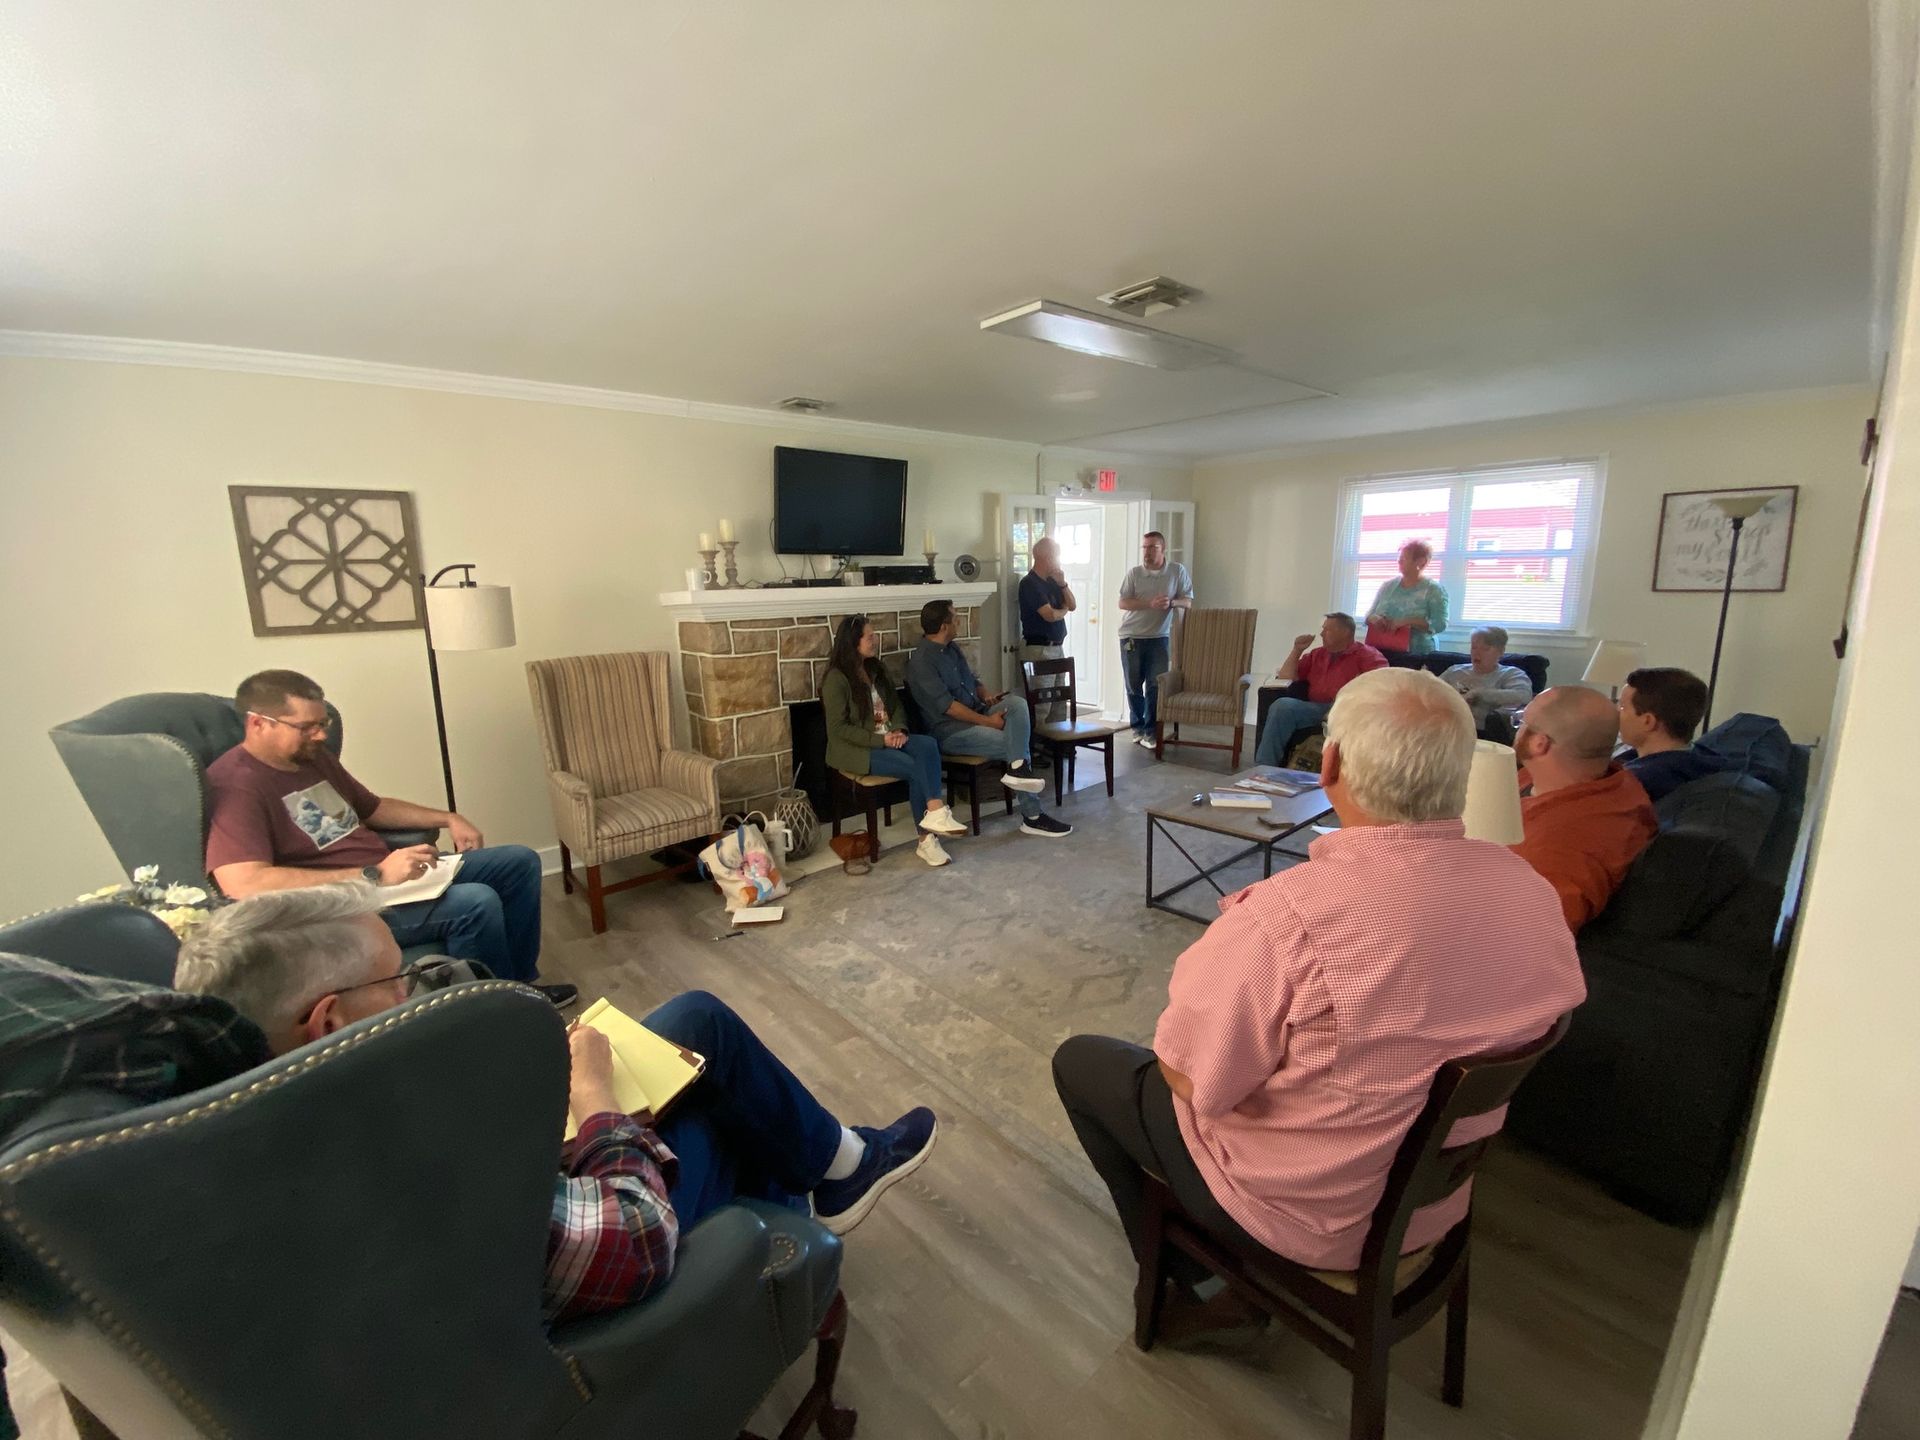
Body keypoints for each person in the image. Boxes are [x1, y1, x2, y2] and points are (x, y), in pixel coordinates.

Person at [1053, 669, 1583, 1333]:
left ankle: (1183, 1275)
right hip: (1435, 1201)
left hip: (1306, 1217)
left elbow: (1193, 1082)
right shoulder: (1529, 892)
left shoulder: (1289, 918)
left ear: (1329, 763)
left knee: (1083, 1061)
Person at [173, 885, 939, 1325]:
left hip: (535, 1156)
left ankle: (834, 1163)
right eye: (394, 978)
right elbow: (630, 1242)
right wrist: (597, 1103)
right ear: (330, 1018)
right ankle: (820, 1189)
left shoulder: (245, 1101)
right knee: (706, 1090)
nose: (409, 987)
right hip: (588, 1230)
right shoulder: (385, 1166)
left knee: (697, 1019)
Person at [202, 670, 573, 1007]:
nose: (321, 735)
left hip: (388, 877)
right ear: (258, 724)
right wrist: (374, 875)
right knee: (477, 902)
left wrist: (448, 817)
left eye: (323, 723)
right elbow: (243, 883)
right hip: (340, 906)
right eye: (307, 727)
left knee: (519, 861)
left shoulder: (311, 758)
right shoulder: (236, 786)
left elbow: (373, 807)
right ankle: (495, 1011)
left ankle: (521, 988)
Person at [906, 599, 1073, 838]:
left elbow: (972, 681)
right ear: (944, 626)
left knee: (1017, 703)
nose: (959, 621)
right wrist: (989, 722)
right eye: (955, 618)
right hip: (951, 731)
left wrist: (986, 695)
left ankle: (1018, 770)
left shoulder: (951, 648)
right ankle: (1033, 815)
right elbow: (949, 708)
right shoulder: (921, 663)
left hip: (977, 710)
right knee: (1014, 743)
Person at [821, 615, 969, 867]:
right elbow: (838, 730)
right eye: (870, 636)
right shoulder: (836, 678)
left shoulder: (875, 668)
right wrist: (882, 741)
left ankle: (933, 815)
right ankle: (928, 836)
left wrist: (899, 729)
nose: (875, 640)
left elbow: (896, 705)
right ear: (853, 642)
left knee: (927, 745)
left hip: (889, 735)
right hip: (857, 748)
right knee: (913, 767)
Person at [1512, 686, 1660, 932]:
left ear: (1540, 743)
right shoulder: (1614, 782)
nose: (1517, 728)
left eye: (1521, 721)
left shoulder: (1564, 852)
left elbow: (1526, 935)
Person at [1252, 612, 1386, 767]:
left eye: (1327, 630)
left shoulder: (1367, 655)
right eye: (1323, 629)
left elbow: (1382, 683)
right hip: (1316, 708)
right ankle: (1263, 768)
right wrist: (1297, 650)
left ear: (1345, 632)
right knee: (1282, 706)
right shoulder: (1317, 654)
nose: (1321, 633)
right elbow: (1284, 677)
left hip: (1347, 710)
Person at [1116, 530, 1194, 749]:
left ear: (1163, 549)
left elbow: (1188, 601)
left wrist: (1171, 603)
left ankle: (1151, 731)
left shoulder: (1177, 571)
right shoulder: (1134, 574)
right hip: (1131, 636)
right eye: (1145, 547)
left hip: (1159, 638)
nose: (1147, 552)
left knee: (1155, 685)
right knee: (1133, 685)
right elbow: (1123, 603)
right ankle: (1137, 727)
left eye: (1153, 548)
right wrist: (1149, 604)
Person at [1617, 667, 1726, 802]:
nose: (1616, 714)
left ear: (1648, 721)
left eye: (1622, 707)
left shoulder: (1640, 783)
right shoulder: (1705, 759)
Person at [1018, 536, 1076, 727]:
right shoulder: (1029, 583)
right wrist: (1063, 610)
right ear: (1046, 557)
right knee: (1041, 704)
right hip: (1039, 649)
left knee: (1059, 702)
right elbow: (1049, 615)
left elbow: (1073, 605)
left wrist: (1062, 584)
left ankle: (1057, 747)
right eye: (1056, 556)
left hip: (1057, 647)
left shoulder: (1053, 582)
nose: (1058, 560)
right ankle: (1037, 747)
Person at [1439, 625, 1534, 727]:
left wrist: (1480, 694)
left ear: (1501, 651)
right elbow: (1431, 690)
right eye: (1474, 647)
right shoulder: (1455, 670)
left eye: (1485, 648)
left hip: (1484, 733)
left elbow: (1523, 696)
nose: (1477, 653)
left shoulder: (1511, 674)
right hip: (1448, 727)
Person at [1363, 540, 1449, 654]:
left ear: (1421, 562)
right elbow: (1369, 615)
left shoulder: (1434, 590)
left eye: (1404, 557)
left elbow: (1440, 624)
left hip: (1417, 654)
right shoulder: (1387, 586)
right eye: (1399, 557)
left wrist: (1407, 621)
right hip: (1382, 651)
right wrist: (1374, 619)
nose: (1399, 561)